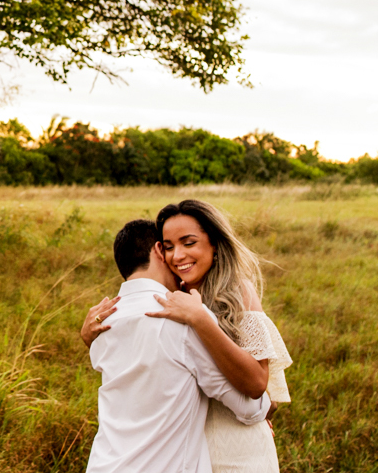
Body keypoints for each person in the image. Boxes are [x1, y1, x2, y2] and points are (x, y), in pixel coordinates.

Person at [82, 200, 293, 473]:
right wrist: (90, 337)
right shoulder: (169, 300)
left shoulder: (238, 292)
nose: (177, 256)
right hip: (184, 450)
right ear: (159, 251)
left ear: (214, 243)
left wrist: (202, 320)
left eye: (189, 243)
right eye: (169, 247)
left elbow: (259, 388)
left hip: (234, 447)